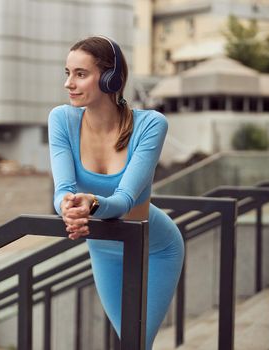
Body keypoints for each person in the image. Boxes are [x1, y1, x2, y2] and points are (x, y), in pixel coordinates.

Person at [48, 36, 185, 349]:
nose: (69, 83)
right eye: (67, 73)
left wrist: (92, 204)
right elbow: (63, 191)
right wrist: (68, 208)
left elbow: (125, 200)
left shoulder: (151, 124)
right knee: (129, 340)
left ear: (111, 78)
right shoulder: (61, 119)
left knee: (137, 343)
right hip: (103, 247)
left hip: (154, 246)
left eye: (80, 74)